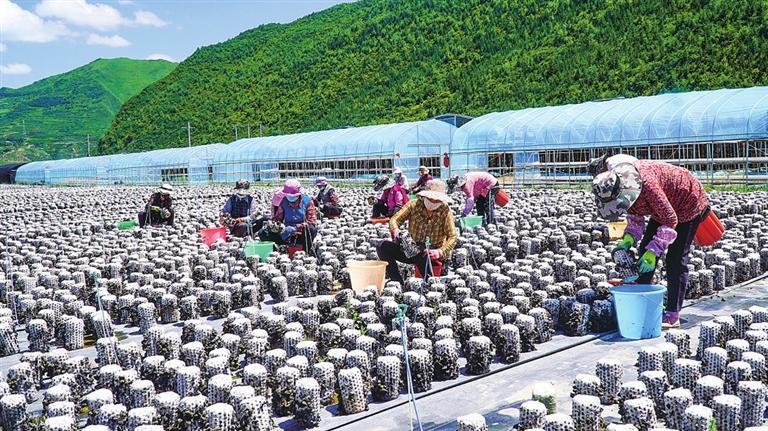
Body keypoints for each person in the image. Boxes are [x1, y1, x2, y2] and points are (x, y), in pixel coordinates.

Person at [592, 160, 710, 329]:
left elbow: (670, 220)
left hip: (687, 202)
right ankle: (641, 286)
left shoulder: (647, 186)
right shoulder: (624, 187)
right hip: (665, 205)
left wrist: (654, 252)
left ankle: (673, 313)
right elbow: (635, 215)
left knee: (675, 259)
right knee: (645, 245)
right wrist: (628, 239)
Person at [377, 179, 457, 283]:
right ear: (425, 196)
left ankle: (431, 284)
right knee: (382, 246)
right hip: (412, 249)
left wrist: (440, 251)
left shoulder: (445, 210)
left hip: (431, 252)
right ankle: (397, 280)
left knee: (425, 262)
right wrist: (395, 230)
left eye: (437, 200)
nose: (433, 202)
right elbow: (395, 219)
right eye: (430, 199)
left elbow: (453, 236)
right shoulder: (414, 205)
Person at [263, 179, 318, 248]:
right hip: (286, 234)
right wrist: (276, 226)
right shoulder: (283, 201)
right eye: (288, 196)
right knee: (263, 233)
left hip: (302, 234)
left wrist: (296, 228)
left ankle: (306, 249)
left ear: (298, 195)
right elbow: (278, 218)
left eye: (293, 196)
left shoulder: (308, 202)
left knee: (311, 229)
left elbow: (312, 221)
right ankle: (278, 247)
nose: (291, 199)